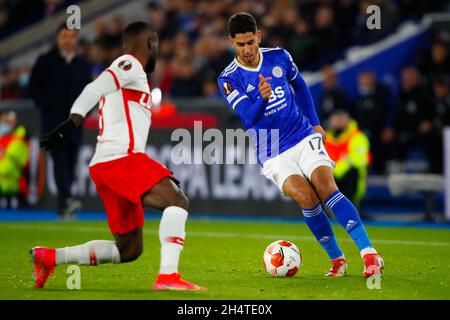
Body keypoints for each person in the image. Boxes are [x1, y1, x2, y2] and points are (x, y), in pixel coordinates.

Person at [30, 21, 205, 291]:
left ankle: (52, 257)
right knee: (177, 200)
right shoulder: (129, 63)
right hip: (120, 159)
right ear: (150, 43)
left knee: (129, 249)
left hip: (106, 165)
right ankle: (168, 277)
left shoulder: (133, 77)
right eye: (155, 44)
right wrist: (70, 123)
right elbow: (94, 88)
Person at [217, 12, 383, 278]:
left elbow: (300, 86)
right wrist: (262, 97)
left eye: (250, 42)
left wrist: (315, 122)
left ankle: (369, 254)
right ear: (231, 43)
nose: (247, 50)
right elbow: (249, 116)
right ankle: (338, 260)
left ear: (258, 36)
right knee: (306, 197)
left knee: (327, 187)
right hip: (271, 150)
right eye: (240, 44)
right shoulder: (228, 78)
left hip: (302, 134)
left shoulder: (279, 56)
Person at [29, 23, 92, 219]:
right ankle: (67, 199)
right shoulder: (45, 61)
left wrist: (84, 114)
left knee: (71, 163)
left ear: (76, 40)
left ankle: (63, 205)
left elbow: (91, 92)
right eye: (64, 36)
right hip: (53, 123)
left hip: (75, 124)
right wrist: (47, 108)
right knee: (59, 160)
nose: (68, 40)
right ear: (58, 38)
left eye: (72, 36)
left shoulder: (83, 64)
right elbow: (34, 88)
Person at [325, 110, 370, 211]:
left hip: (350, 181)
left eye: (341, 119)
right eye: (336, 119)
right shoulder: (325, 137)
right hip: (331, 178)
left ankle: (351, 210)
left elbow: (358, 161)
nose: (338, 122)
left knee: (353, 172)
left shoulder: (358, 137)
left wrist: (335, 170)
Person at [0, 111, 29, 209]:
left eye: (9, 121)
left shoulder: (19, 139)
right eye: (4, 121)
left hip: (13, 183)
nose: (6, 124)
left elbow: (10, 164)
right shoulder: (4, 138)